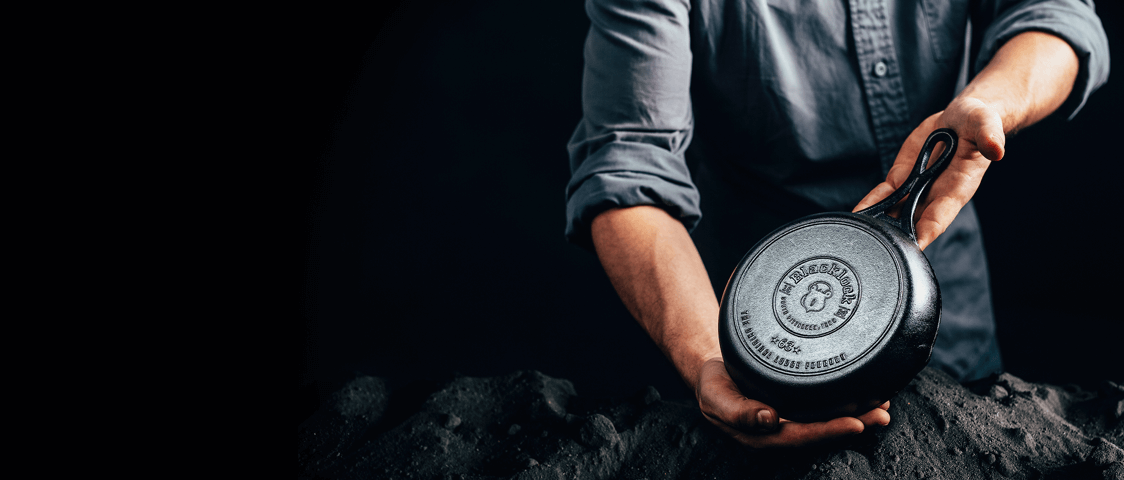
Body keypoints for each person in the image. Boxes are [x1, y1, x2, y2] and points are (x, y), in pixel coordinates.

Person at [564, 0, 1108, 448]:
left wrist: (987, 102)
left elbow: (1056, 15)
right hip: (756, 340)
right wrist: (712, 359)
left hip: (954, 318)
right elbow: (627, 165)